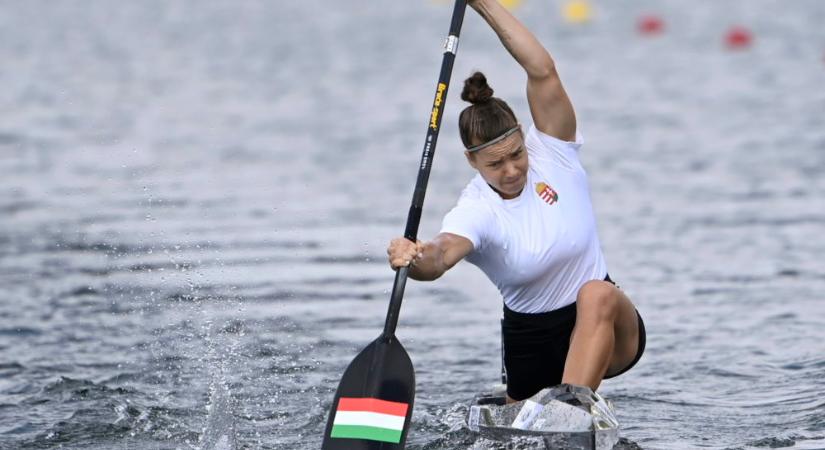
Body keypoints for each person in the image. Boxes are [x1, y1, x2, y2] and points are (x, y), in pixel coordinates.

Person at [386, 0, 645, 402]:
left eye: (516, 154)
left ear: (525, 138)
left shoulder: (554, 153)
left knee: (598, 292)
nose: (511, 170)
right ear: (472, 161)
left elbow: (541, 69)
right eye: (495, 163)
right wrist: (414, 257)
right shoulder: (477, 210)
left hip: (606, 328)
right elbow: (440, 256)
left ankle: (574, 410)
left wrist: (481, 4)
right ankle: (555, 411)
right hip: (532, 345)